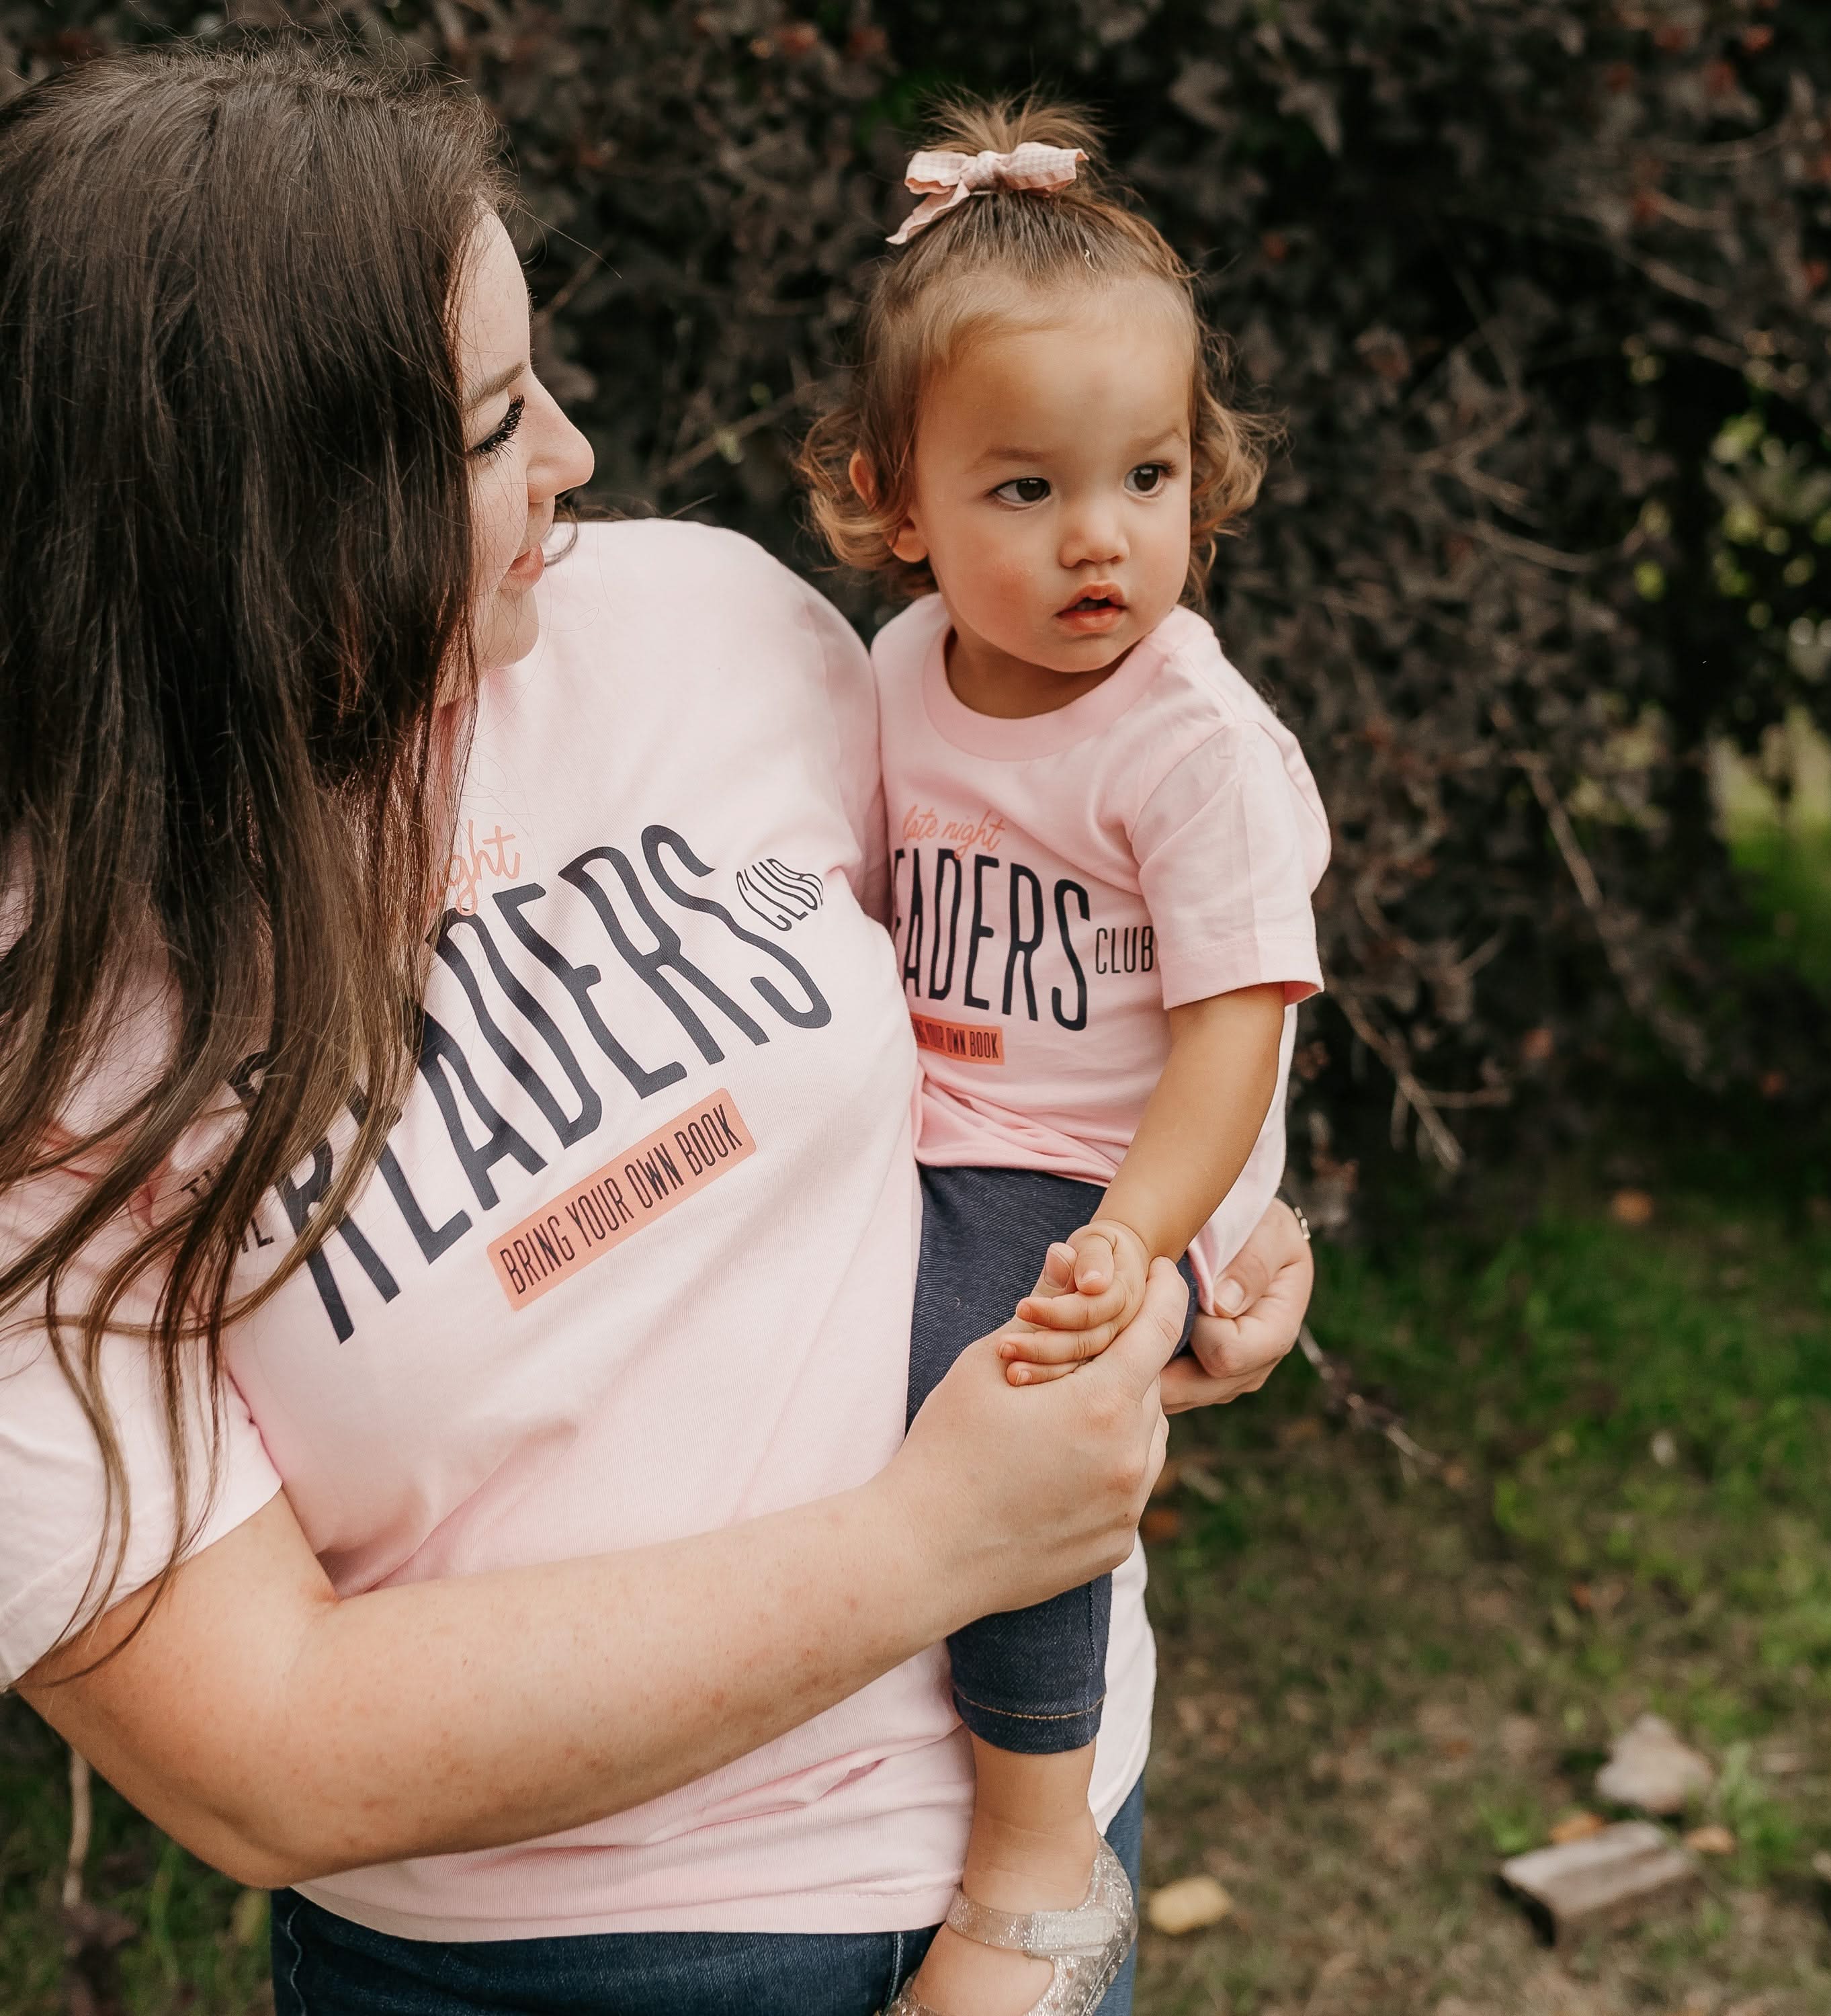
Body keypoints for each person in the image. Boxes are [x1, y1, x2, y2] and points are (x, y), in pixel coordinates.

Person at [0, 42, 1316, 2016]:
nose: (580, 461)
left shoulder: (716, 628)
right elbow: (256, 1747)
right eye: (494, 422)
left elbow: (1051, 996)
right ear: (250, 520)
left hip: (1038, 1816)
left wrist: (1196, 1249)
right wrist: (936, 1541)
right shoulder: (43, 1025)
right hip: (561, 1965)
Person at [798, 98, 1329, 2016]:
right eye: (1025, 491)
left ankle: (1031, 1850)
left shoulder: (1189, 745)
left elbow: (1234, 1037)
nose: (1102, 539)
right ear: (897, 498)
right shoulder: (886, 675)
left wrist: (1132, 1237)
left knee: (991, 1356)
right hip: (938, 1118)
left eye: (1148, 476)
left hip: (1115, 1156)